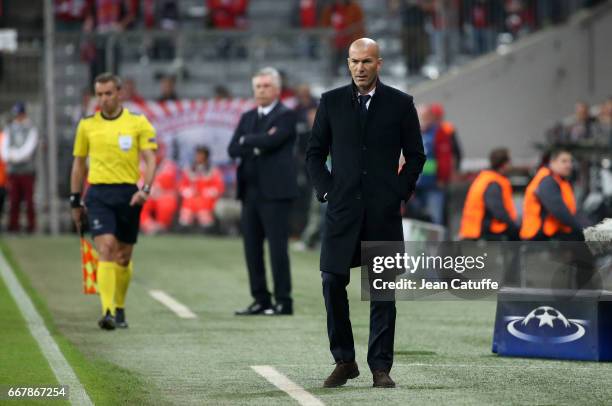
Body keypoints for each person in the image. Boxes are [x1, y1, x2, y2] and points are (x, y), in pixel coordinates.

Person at [306, 38, 425, 388]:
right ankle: (344, 360)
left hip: (382, 213)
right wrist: (327, 190)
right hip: (341, 211)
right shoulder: (330, 102)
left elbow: (416, 156)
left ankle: (380, 368)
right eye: (355, 61)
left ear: (379, 64)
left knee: (382, 291)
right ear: (347, 63)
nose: (360, 68)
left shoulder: (402, 104)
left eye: (367, 61)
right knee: (331, 282)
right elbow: (314, 154)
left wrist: (398, 193)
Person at [70, 73, 157, 330]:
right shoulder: (87, 125)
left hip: (129, 195)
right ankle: (107, 310)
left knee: (123, 256)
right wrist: (75, 200)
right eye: (99, 94)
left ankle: (119, 306)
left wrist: (146, 190)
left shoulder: (138, 123)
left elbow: (151, 159)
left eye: (108, 93)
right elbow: (78, 165)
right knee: (106, 247)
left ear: (119, 93)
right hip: (98, 195)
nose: (104, 99)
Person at [228, 67, 298, 316]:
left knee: (278, 249)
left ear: (277, 89)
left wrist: (249, 141)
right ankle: (261, 299)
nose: (261, 90)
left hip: (276, 193)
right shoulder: (247, 117)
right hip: (250, 192)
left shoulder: (286, 115)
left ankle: (283, 301)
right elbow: (233, 148)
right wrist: (256, 142)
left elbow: (274, 141)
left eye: (266, 86)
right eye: (257, 86)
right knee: (252, 249)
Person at [520, 148, 584, 241]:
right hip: (539, 235)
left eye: (570, 162)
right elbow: (560, 211)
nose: (569, 165)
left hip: (551, 232)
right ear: (552, 162)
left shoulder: (559, 180)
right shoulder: (547, 182)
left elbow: (570, 210)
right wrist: (583, 229)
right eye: (564, 161)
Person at [459, 148, 519, 240]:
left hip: (473, 230)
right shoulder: (493, 183)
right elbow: (498, 211)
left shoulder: (485, 178)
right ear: (504, 164)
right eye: (509, 162)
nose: (511, 165)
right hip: (481, 232)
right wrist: (514, 225)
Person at [2, 102, 39, 233]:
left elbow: (28, 150)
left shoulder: (31, 128)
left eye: (20, 115)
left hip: (27, 171)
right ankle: (13, 226)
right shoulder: (9, 128)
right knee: (13, 201)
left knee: (29, 201)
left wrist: (14, 156)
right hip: (13, 172)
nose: (18, 117)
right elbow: (4, 150)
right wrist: (12, 156)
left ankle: (31, 226)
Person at [178, 145, 225, 228]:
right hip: (190, 200)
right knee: (186, 214)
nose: (198, 157)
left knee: (205, 216)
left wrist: (207, 192)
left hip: (206, 201)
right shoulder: (189, 170)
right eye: (197, 154)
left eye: (201, 154)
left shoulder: (213, 171)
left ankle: (206, 226)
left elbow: (219, 188)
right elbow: (182, 186)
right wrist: (188, 192)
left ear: (206, 156)